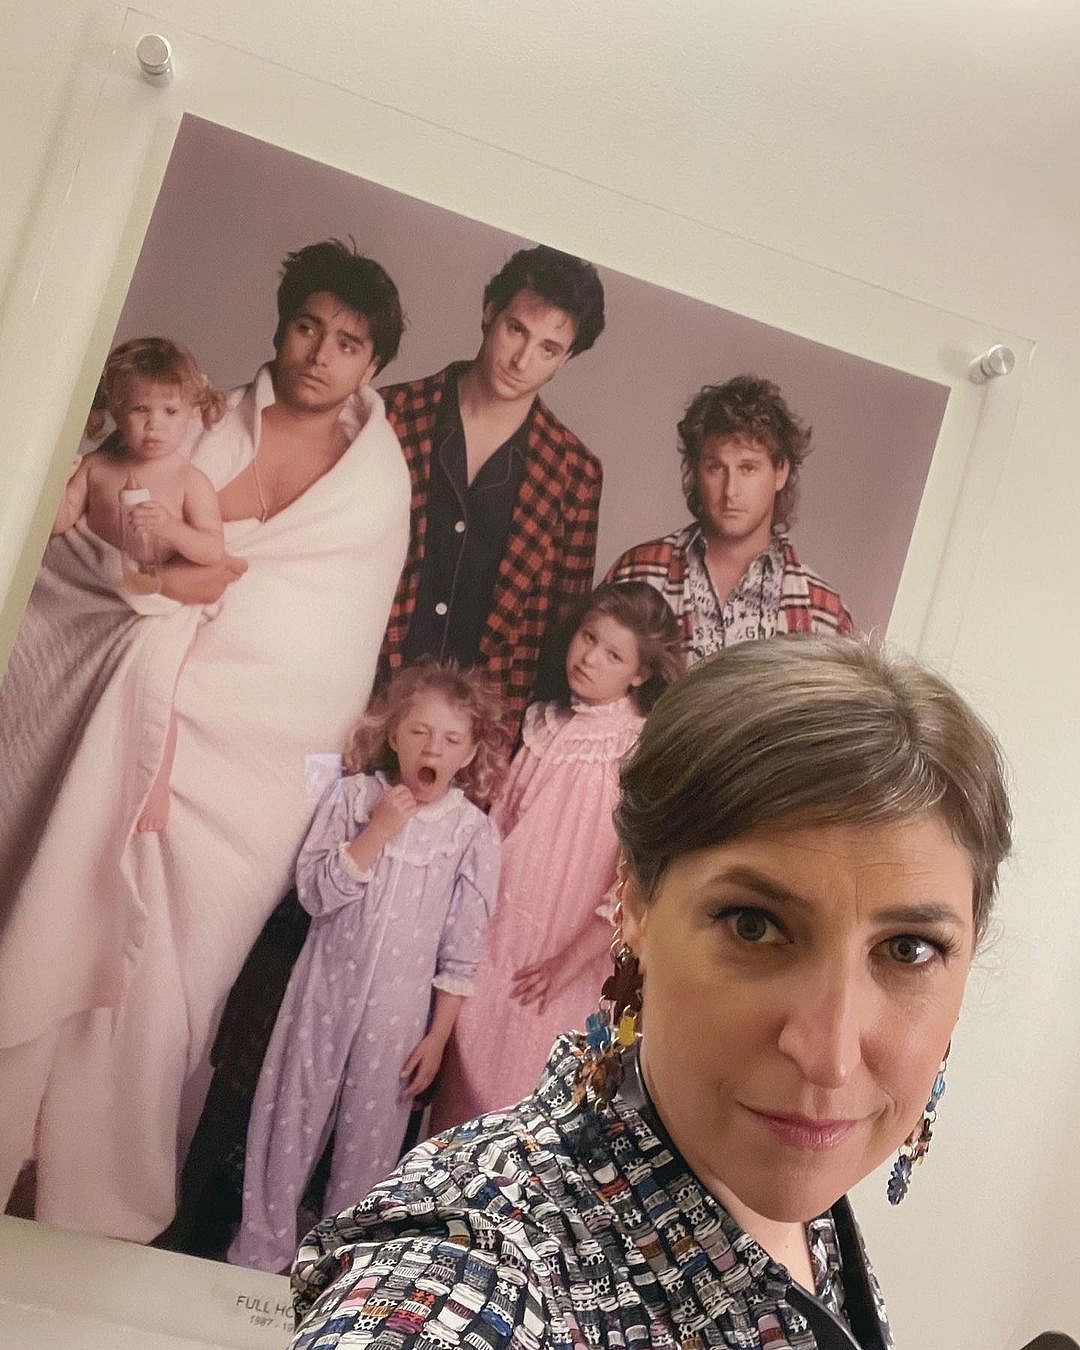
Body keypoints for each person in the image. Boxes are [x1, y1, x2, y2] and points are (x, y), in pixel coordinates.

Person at [288, 634, 1011, 1350]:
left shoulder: (788, 1197)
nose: (829, 1056)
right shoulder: (480, 1261)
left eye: (908, 950)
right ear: (633, 902)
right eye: (755, 927)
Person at [0, 239, 410, 1241]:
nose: (322, 352)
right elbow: (113, 540)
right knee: (85, 887)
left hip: (261, 757)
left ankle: (94, 1184)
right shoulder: (202, 419)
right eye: (307, 326)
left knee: (178, 971)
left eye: (348, 341)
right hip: (153, 707)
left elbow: (331, 640)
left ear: (373, 364)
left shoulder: (377, 483)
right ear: (279, 327)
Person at [228, 662, 504, 1273]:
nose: (434, 748)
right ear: (395, 734)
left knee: (369, 1152)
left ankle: (337, 1275)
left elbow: (462, 951)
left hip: (398, 1023)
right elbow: (314, 893)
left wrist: (436, 1039)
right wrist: (377, 830)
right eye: (421, 732)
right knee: (286, 1125)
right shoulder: (352, 799)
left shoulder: (472, 834)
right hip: (320, 997)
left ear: (469, 753)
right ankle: (258, 1256)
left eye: (452, 739)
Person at [430, 582, 682, 1131]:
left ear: (639, 674)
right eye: (588, 637)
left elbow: (632, 885)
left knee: (522, 1108)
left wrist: (567, 964)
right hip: (499, 935)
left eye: (613, 654)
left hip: (566, 957)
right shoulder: (545, 727)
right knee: (459, 1098)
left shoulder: (638, 750)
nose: (589, 657)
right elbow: (497, 831)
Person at [381, 244, 606, 738]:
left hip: (479, 740)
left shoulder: (575, 473)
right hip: (363, 699)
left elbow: (558, 635)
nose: (523, 360)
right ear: (489, 314)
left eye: (548, 349)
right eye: (516, 330)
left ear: (565, 360)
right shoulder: (388, 416)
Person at [51, 337, 227, 832]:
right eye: (138, 410)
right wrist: (59, 478)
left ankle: (157, 781)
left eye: (170, 410)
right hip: (99, 595)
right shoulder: (98, 468)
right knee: (79, 673)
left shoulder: (189, 480)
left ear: (191, 411)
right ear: (114, 411)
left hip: (158, 602)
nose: (154, 425)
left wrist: (172, 529)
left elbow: (211, 549)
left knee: (156, 682)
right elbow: (62, 523)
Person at [607, 375, 853, 663]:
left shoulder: (822, 613)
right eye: (716, 467)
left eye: (748, 468)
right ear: (697, 471)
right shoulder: (641, 572)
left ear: (781, 472)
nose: (730, 491)